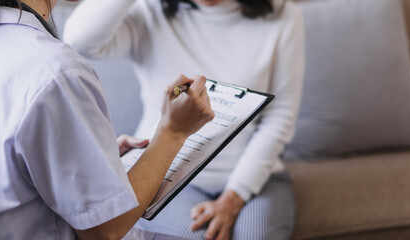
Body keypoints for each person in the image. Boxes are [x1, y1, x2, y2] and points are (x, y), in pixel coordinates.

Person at [0, 0, 215, 238]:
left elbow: (3, 165)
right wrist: (173, 131)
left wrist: (93, 158)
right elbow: (107, 231)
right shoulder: (54, 73)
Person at [63, 0, 304, 239]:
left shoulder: (284, 15)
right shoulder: (150, 11)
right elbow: (79, 41)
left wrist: (235, 195)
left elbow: (279, 117)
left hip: (255, 176)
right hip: (167, 174)